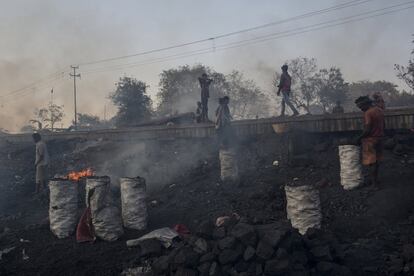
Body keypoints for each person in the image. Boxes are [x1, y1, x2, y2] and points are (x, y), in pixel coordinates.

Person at [355, 96, 385, 186]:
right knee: (377, 162)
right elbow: (384, 125)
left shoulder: (368, 113)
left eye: (361, 107)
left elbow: (367, 130)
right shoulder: (379, 110)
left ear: (366, 104)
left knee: (372, 162)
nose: (360, 109)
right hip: (380, 138)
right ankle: (375, 180)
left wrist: (359, 138)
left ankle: (374, 184)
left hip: (370, 140)